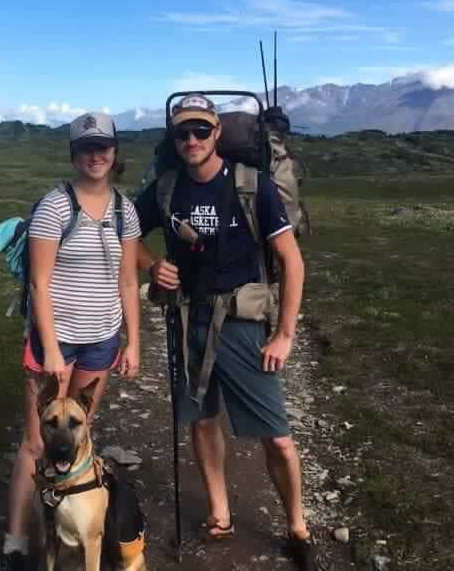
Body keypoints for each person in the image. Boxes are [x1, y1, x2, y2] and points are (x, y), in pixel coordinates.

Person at [132, 94, 317, 569]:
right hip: (187, 319)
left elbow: (291, 261)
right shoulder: (167, 188)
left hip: (241, 324)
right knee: (200, 418)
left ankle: (296, 524)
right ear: (174, 141)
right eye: (182, 133)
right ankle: (220, 514)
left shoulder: (252, 186)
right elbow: (126, 234)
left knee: (276, 435)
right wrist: (153, 267)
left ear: (217, 133)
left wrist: (284, 334)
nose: (191, 140)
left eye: (200, 131)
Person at [0, 111, 143, 571]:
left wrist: (133, 341)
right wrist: (53, 349)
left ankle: (69, 518)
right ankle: (16, 544)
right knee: (38, 443)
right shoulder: (54, 207)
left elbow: (126, 283)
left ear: (115, 153)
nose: (95, 155)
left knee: (77, 434)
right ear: (74, 154)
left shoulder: (125, 208)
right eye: (86, 147)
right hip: (54, 344)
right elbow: (40, 283)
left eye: (103, 146)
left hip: (102, 341)